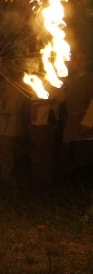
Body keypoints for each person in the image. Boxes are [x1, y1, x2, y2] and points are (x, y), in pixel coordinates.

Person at [59, 50, 93, 182]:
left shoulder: (90, 78)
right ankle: (73, 189)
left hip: (85, 123)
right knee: (70, 157)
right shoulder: (71, 80)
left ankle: (84, 192)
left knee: (84, 158)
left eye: (81, 59)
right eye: (75, 60)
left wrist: (88, 123)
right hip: (72, 123)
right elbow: (61, 99)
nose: (78, 62)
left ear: (87, 62)